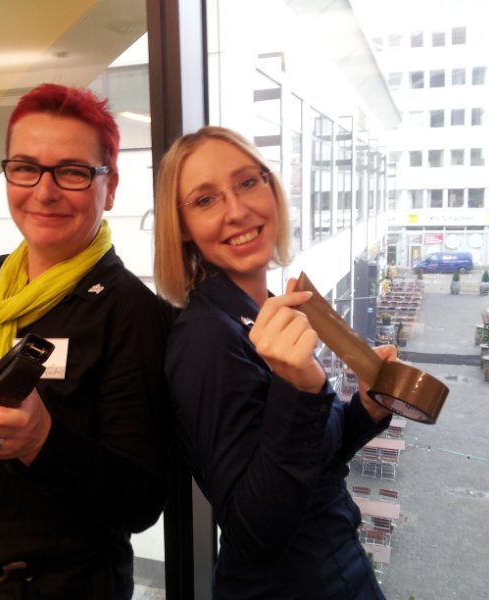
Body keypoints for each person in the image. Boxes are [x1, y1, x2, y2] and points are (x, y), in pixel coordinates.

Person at [0, 83, 170, 599]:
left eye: (72, 172)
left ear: (110, 187)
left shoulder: (132, 313)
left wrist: (42, 442)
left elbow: (141, 502)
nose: (44, 191)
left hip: (56, 587)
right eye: (26, 168)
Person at [154, 125, 396, 599]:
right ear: (181, 227)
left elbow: (312, 463)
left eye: (247, 182)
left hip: (339, 568)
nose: (237, 210)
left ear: (272, 188)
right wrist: (300, 390)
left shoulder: (264, 309)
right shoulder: (206, 339)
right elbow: (254, 533)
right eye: (205, 200)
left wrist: (365, 409)